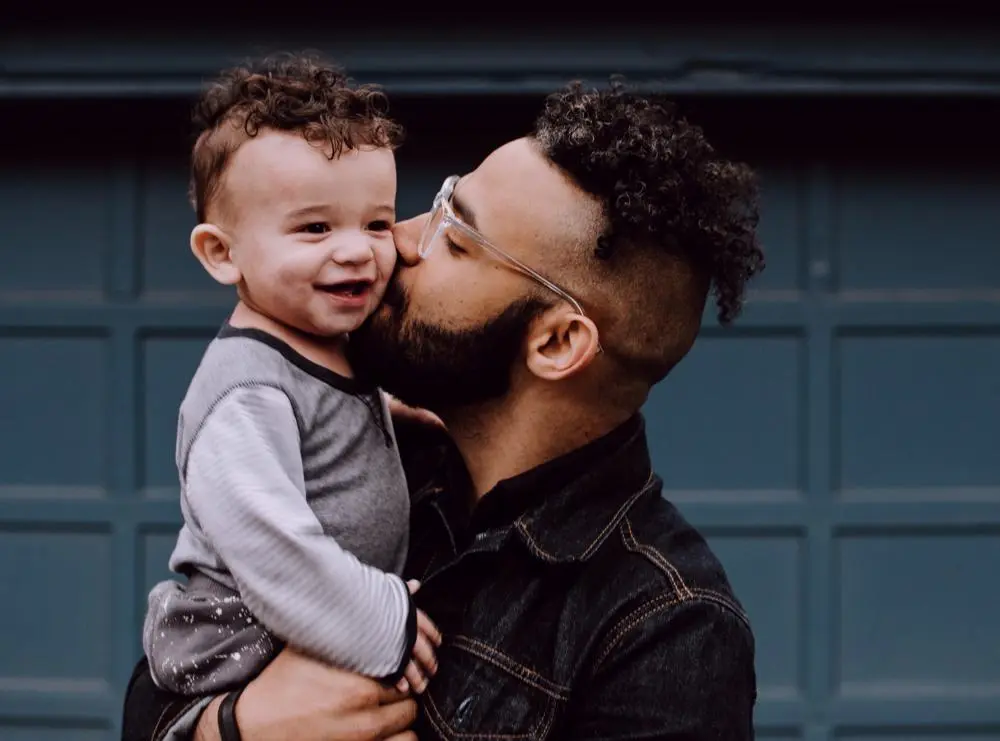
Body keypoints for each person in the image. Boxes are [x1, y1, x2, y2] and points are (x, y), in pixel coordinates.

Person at [122, 65, 766, 741]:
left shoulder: (665, 628)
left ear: (555, 341)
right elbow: (159, 684)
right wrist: (232, 727)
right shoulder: (371, 458)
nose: (393, 241)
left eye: (455, 239)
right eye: (435, 204)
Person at [139, 52, 440, 704]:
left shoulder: (328, 346)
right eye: (315, 227)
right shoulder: (246, 392)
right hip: (240, 640)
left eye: (377, 223)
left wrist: (391, 414)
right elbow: (272, 545)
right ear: (223, 253)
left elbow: (325, 418)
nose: (357, 248)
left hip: (310, 624)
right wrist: (383, 622)